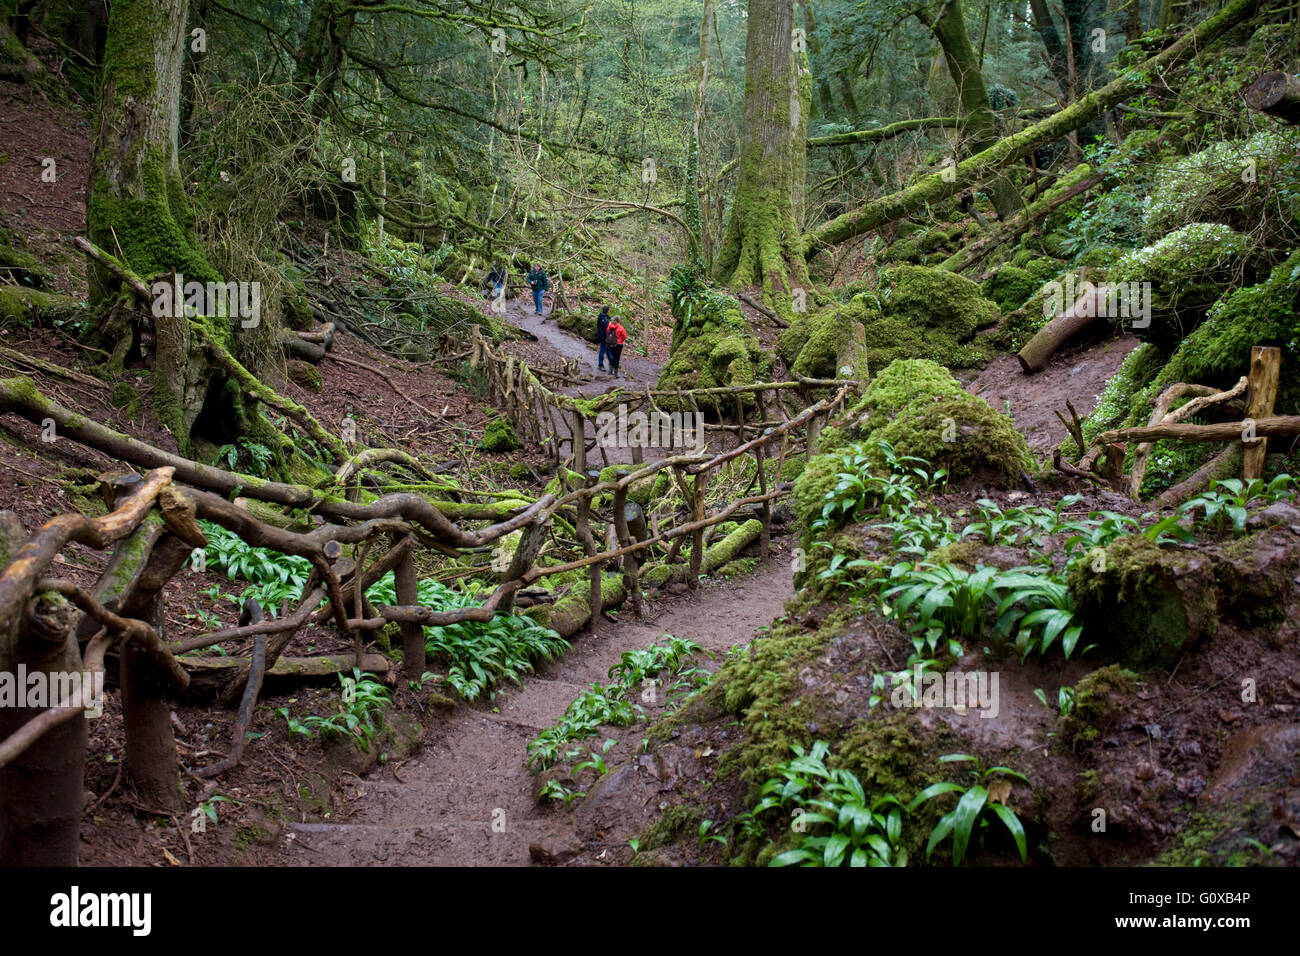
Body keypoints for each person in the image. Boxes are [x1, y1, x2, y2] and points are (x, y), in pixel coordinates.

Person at [595, 305, 612, 371]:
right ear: (607, 311)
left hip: (604, 337)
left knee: (607, 350)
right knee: (602, 350)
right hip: (604, 337)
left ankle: (612, 361)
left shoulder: (603, 317)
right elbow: (606, 328)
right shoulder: (604, 319)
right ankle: (600, 364)